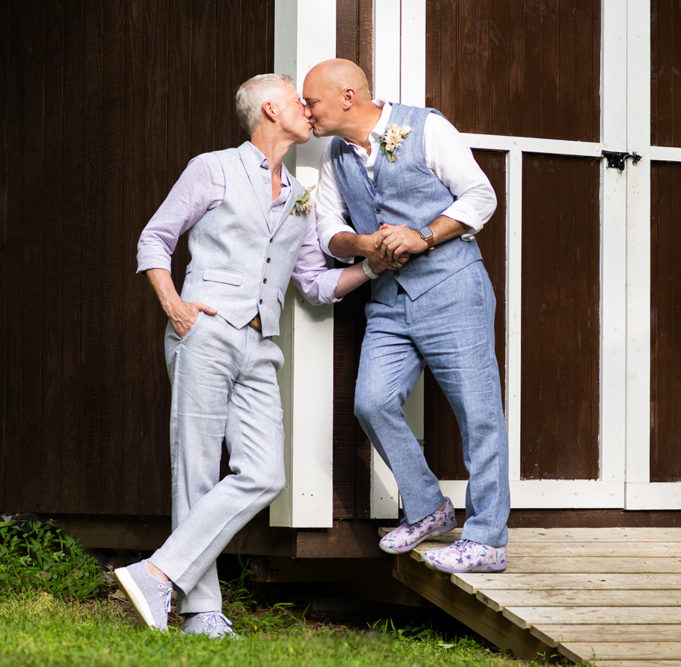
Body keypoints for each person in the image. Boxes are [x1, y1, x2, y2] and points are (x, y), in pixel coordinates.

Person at [117, 73, 386, 636]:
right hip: (207, 331)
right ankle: (202, 613)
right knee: (194, 469)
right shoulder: (212, 168)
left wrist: (371, 267)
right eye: (297, 101)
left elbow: (312, 283)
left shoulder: (300, 192)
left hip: (261, 344)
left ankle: (158, 573)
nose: (308, 109)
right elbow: (154, 238)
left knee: (264, 473)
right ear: (270, 108)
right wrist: (175, 305)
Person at [303, 59, 510, 573]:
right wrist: (362, 243)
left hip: (452, 288)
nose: (307, 111)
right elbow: (329, 228)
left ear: (348, 96)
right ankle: (428, 508)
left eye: (313, 101)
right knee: (372, 402)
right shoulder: (335, 154)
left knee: (478, 415)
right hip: (389, 300)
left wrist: (423, 235)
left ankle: (487, 539)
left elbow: (481, 195)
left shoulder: (427, 127)